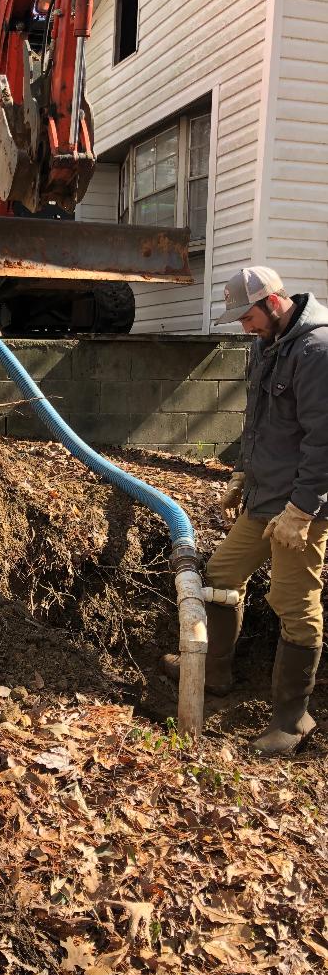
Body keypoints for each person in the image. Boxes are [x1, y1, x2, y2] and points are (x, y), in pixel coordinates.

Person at [162, 266, 328, 756]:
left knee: (295, 606)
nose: (244, 327)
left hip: (304, 505)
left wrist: (301, 510)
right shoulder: (266, 344)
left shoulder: (317, 352)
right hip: (265, 495)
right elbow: (257, 421)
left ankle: (293, 719)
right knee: (219, 575)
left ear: (274, 303)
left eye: (248, 317)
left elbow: (324, 442)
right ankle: (212, 672)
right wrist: (242, 474)